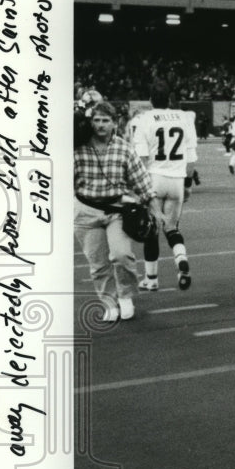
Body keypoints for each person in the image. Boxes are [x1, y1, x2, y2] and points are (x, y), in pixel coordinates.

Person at [74, 101, 163, 321]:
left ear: (115, 123)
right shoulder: (77, 146)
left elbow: (141, 180)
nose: (100, 125)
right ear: (90, 122)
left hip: (116, 211)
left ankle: (125, 296)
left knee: (122, 255)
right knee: (98, 264)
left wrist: (155, 208)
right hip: (85, 211)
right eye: (96, 120)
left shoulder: (123, 148)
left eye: (105, 120)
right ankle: (108, 302)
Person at [130, 82, 198, 291]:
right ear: (170, 99)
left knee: (152, 230)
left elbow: (141, 157)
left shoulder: (144, 119)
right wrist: (187, 185)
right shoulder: (184, 118)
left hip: (154, 178)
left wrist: (139, 187)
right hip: (177, 179)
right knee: (172, 227)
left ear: (150, 100)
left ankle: (151, 279)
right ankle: (181, 259)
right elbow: (191, 157)